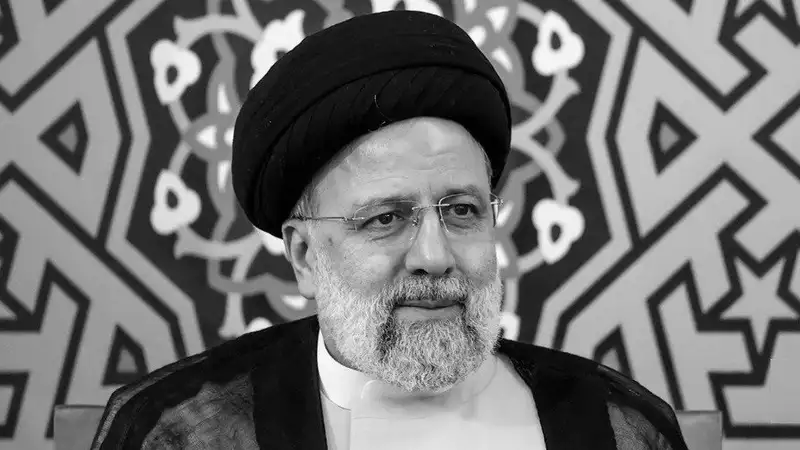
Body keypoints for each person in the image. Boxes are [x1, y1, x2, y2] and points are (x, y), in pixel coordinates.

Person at [90, 10, 689, 450]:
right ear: (304, 256)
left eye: (461, 211)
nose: (435, 256)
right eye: (386, 219)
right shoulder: (177, 431)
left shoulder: (615, 426)